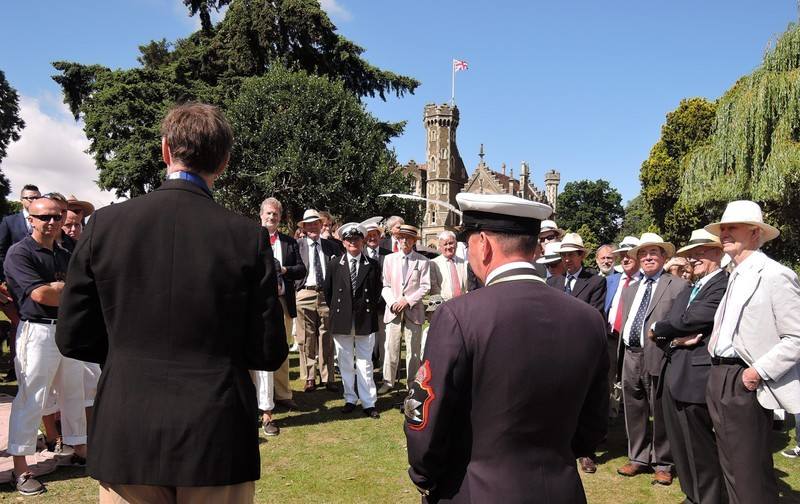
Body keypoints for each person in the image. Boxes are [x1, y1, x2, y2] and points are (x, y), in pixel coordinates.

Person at [56, 103, 288, 503]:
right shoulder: (246, 237)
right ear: (225, 162)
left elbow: (74, 335)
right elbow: (267, 350)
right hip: (215, 427)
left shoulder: (106, 226)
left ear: (165, 150)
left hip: (127, 424)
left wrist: (128, 355)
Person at [404, 192, 608, 503]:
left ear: (483, 243)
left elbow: (426, 420)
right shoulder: (589, 319)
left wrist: (426, 476)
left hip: (476, 490)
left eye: (468, 241)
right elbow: (593, 426)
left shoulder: (459, 316)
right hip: (561, 489)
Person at [704, 200, 800, 504]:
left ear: (755, 233)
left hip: (744, 381)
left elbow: (796, 336)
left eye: (733, 227)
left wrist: (756, 372)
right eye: (723, 228)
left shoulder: (774, 274)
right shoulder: (734, 274)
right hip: (720, 376)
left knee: (749, 474)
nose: (725, 232)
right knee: (731, 467)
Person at [4, 196, 87, 496]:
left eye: (56, 216)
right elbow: (41, 296)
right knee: (31, 399)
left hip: (67, 329)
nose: (51, 222)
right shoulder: (20, 253)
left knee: (75, 392)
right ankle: (21, 470)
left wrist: (62, 289)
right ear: (31, 220)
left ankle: (79, 452)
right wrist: (72, 289)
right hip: (37, 332)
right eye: (44, 217)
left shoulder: (66, 250)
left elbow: (83, 285)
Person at [651, 228, 727, 504]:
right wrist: (674, 340)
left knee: (699, 446)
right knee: (681, 444)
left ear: (718, 253)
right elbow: (674, 321)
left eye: (701, 253)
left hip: (696, 378)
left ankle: (708, 498)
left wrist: (661, 328)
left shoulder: (722, 284)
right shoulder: (692, 286)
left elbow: (692, 320)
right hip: (674, 371)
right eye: (691, 255)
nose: (694, 259)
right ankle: (692, 494)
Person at [617, 233, 689, 485]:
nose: (647, 258)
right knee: (633, 409)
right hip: (629, 355)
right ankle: (637, 458)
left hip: (659, 356)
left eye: (653, 253)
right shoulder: (631, 289)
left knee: (659, 411)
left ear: (664, 257)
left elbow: (681, 324)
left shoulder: (677, 285)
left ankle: (663, 463)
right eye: (643, 254)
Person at [251, 197, 306, 436]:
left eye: (275, 215)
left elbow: (301, 270)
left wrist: (284, 270)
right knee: (257, 351)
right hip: (258, 305)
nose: (271, 218)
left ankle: (283, 394)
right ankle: (258, 401)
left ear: (280, 218)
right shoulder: (251, 239)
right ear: (261, 214)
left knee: (281, 350)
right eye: (268, 214)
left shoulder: (288, 242)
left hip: (282, 302)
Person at [324, 223, 381, 419]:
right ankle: (350, 398)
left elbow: (376, 292)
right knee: (345, 361)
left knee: (365, 362)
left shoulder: (373, 265)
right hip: (342, 318)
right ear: (343, 242)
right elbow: (328, 292)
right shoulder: (334, 264)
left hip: (364, 318)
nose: (353, 242)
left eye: (356, 239)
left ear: (362, 241)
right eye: (349, 239)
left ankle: (369, 402)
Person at [378, 224, 430, 394]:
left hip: (413, 311)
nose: (404, 241)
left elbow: (425, 286)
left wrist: (407, 301)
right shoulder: (389, 259)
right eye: (401, 237)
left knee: (413, 350)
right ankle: (388, 382)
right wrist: (393, 302)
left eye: (408, 238)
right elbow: (385, 285)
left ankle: (412, 383)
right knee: (390, 347)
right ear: (397, 239)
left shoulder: (423, 261)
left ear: (414, 240)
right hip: (393, 311)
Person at [295, 209, 340, 392]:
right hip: (305, 293)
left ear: (321, 225)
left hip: (325, 295)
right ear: (304, 228)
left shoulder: (332, 247)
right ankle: (310, 377)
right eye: (309, 224)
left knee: (327, 337)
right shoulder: (297, 245)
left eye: (316, 223)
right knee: (306, 338)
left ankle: (328, 377)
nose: (313, 227)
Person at [604, 236, 641, 418]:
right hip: (610, 338)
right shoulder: (612, 280)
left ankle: (632, 419)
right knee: (607, 381)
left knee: (631, 383)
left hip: (631, 341)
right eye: (622, 255)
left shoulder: (645, 282)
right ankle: (608, 418)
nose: (625, 259)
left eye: (629, 255)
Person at [546, 233, 606, 315]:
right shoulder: (551, 283)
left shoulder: (595, 283)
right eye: (563, 255)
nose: (567, 260)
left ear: (581, 255)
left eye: (571, 254)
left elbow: (594, 316)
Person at [362, 220, 391, 369]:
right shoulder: (359, 255)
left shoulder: (389, 256)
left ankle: (384, 368)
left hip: (384, 304)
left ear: (380, 236)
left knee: (384, 338)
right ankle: (368, 367)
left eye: (375, 235)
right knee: (366, 339)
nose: (372, 238)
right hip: (365, 304)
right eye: (369, 235)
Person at [0, 184, 41, 280]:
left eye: (38, 198)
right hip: (14, 276)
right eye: (31, 198)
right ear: (22, 200)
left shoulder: (48, 221)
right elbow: (1, 251)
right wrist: (5, 276)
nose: (35, 201)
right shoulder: (9, 221)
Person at [429, 230, 467, 302]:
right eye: (445, 244)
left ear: (456, 244)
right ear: (440, 247)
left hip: (463, 305)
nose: (448, 247)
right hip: (444, 306)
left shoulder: (464, 263)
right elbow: (434, 289)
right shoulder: (433, 264)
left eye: (451, 243)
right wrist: (443, 308)